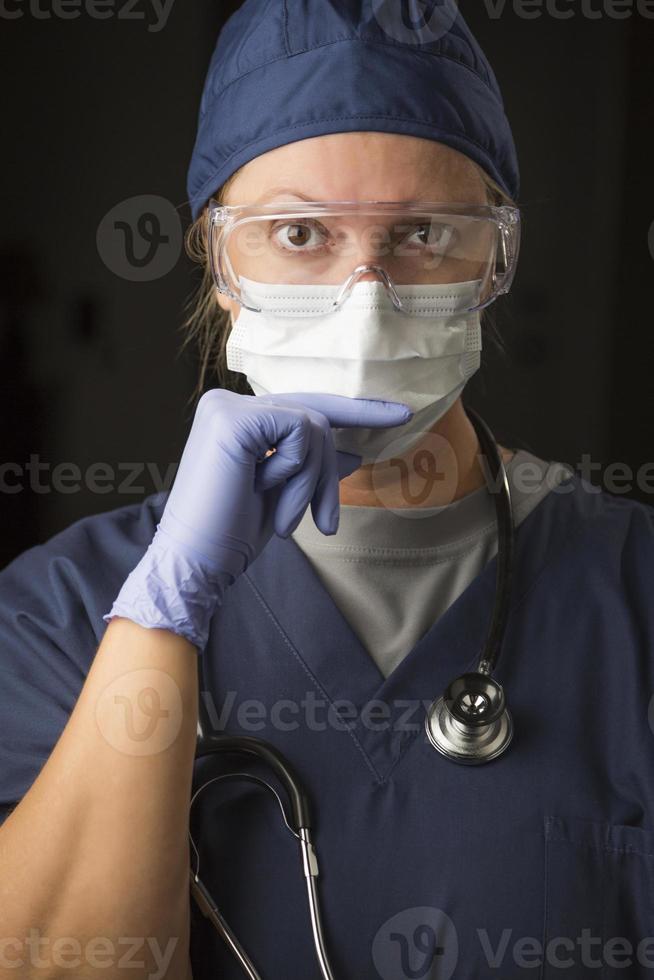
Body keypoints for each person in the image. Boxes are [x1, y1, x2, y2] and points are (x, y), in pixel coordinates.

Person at [1, 2, 654, 979]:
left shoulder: (633, 593)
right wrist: (162, 610)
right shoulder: (54, 616)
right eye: (299, 231)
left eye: (426, 232)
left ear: (496, 261)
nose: (366, 298)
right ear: (220, 268)